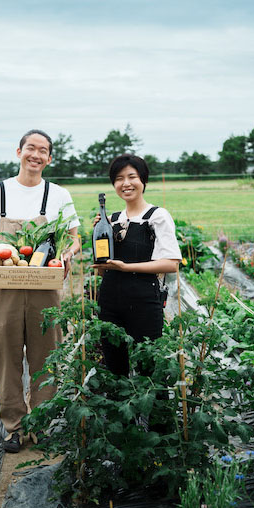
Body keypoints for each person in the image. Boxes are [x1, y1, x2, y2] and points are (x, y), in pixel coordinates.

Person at [0, 129, 80, 453]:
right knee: (6, 358)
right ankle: (14, 427)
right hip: (4, 286)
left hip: (45, 284)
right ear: (18, 152)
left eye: (43, 151)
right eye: (31, 148)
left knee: (46, 356)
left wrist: (68, 254)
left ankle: (40, 425)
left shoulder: (58, 194)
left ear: (49, 158)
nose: (36, 155)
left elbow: (74, 238)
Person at [92, 154, 181, 377]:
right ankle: (119, 410)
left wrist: (126, 267)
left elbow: (171, 264)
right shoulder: (111, 219)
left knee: (149, 365)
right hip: (110, 301)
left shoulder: (156, 216)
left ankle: (152, 412)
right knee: (114, 366)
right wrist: (96, 239)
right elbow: (102, 268)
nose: (126, 183)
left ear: (143, 181)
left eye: (132, 176)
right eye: (119, 178)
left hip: (144, 301)